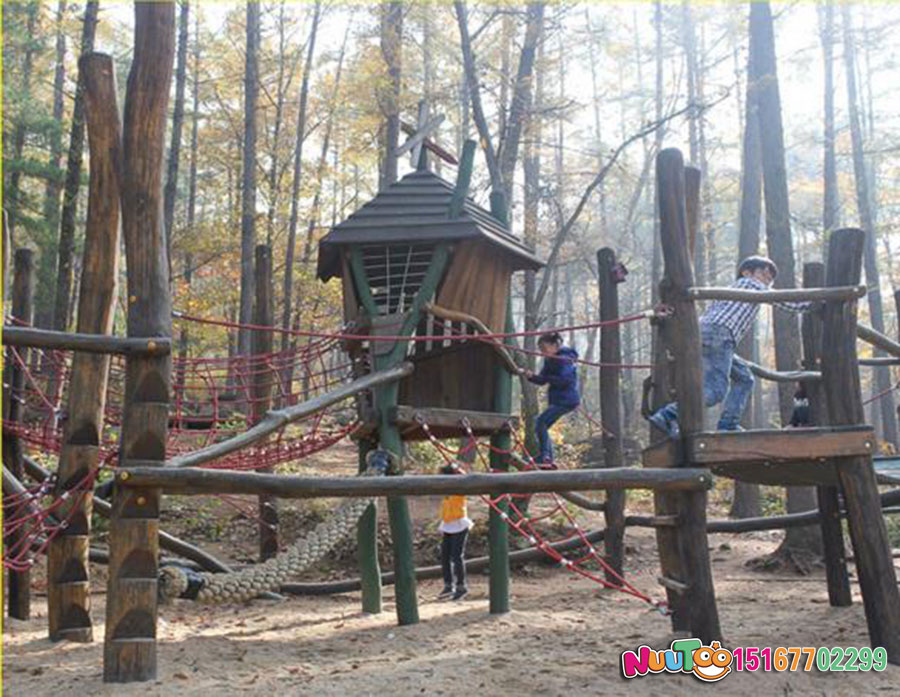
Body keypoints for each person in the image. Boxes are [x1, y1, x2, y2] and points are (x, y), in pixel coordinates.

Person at [648, 255, 811, 437]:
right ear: (746, 273)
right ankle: (668, 415)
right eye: (763, 273)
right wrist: (812, 303)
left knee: (744, 378)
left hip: (707, 334)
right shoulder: (749, 284)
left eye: (770, 279)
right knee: (715, 390)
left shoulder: (730, 291)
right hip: (720, 335)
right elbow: (782, 300)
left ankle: (729, 423)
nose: (767, 280)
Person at [520, 332, 581, 467]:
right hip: (559, 400)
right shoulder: (550, 360)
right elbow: (543, 380)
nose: (542, 352)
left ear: (554, 345)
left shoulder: (564, 358)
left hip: (566, 400)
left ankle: (545, 456)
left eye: (544, 348)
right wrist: (531, 376)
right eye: (540, 349)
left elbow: (565, 380)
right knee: (542, 425)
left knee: (541, 422)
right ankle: (547, 458)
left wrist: (548, 378)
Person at [437, 464, 472, 601]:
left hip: (459, 524)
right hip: (448, 524)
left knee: (457, 556)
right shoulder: (446, 491)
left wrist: (457, 469)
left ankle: (461, 586)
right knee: (444, 555)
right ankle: (448, 585)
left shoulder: (459, 489)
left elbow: (466, 479)